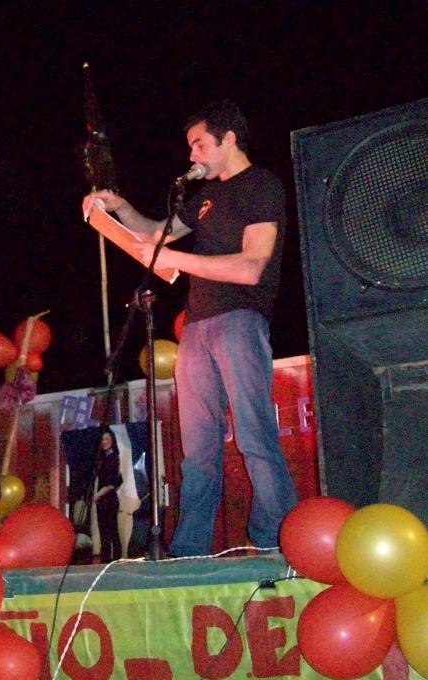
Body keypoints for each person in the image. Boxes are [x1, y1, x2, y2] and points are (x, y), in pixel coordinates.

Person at [83, 100, 297, 557]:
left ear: (229, 139)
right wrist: (117, 206)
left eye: (200, 144)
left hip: (240, 320)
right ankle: (190, 550)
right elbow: (155, 233)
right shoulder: (204, 198)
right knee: (197, 449)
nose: (192, 154)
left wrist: (173, 258)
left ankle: (276, 538)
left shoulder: (262, 184)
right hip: (197, 327)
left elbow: (251, 266)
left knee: (254, 435)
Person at [92, 428, 122, 562]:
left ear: (112, 441)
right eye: (102, 439)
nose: (104, 442)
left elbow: (111, 483)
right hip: (104, 499)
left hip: (108, 499)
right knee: (106, 532)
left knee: (110, 531)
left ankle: (113, 559)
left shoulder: (113, 458)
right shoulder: (104, 458)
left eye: (107, 439)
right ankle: (109, 559)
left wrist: (97, 495)